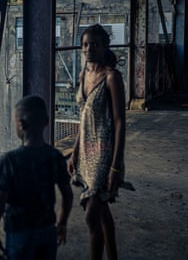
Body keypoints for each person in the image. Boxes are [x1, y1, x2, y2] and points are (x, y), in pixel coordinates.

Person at [0, 95, 73, 260]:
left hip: (19, 231)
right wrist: (62, 223)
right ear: (47, 121)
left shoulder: (9, 160)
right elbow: (67, 195)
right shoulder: (55, 156)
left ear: (21, 124)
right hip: (47, 229)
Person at [68, 24, 126, 260]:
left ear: (104, 46)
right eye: (85, 44)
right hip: (86, 151)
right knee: (102, 212)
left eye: (94, 44)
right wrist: (74, 153)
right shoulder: (83, 76)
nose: (88, 49)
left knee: (91, 212)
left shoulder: (112, 77)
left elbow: (120, 121)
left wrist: (116, 165)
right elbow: (83, 119)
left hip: (104, 151)